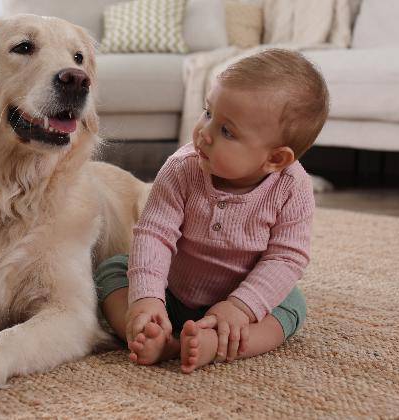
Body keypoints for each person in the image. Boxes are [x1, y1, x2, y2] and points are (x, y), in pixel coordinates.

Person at [94, 49, 329, 373]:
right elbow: (154, 233)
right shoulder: (182, 168)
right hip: (173, 292)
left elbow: (286, 258)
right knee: (113, 271)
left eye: (227, 131)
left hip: (241, 304)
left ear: (275, 159)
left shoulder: (292, 188)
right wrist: (147, 298)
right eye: (208, 113)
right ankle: (149, 332)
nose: (204, 132)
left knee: (290, 307)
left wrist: (240, 307)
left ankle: (215, 344)